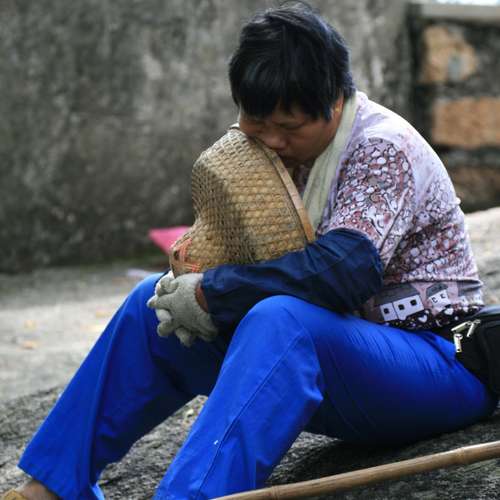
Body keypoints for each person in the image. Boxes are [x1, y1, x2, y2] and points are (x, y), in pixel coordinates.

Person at [4, 3, 498, 499]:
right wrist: (195, 278)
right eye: (257, 123)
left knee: (281, 319)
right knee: (151, 305)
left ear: (334, 103)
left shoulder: (382, 147)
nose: (273, 140)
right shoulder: (273, 152)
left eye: (290, 127)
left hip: (436, 363)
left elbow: (344, 272)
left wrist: (214, 293)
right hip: (347, 368)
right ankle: (52, 487)